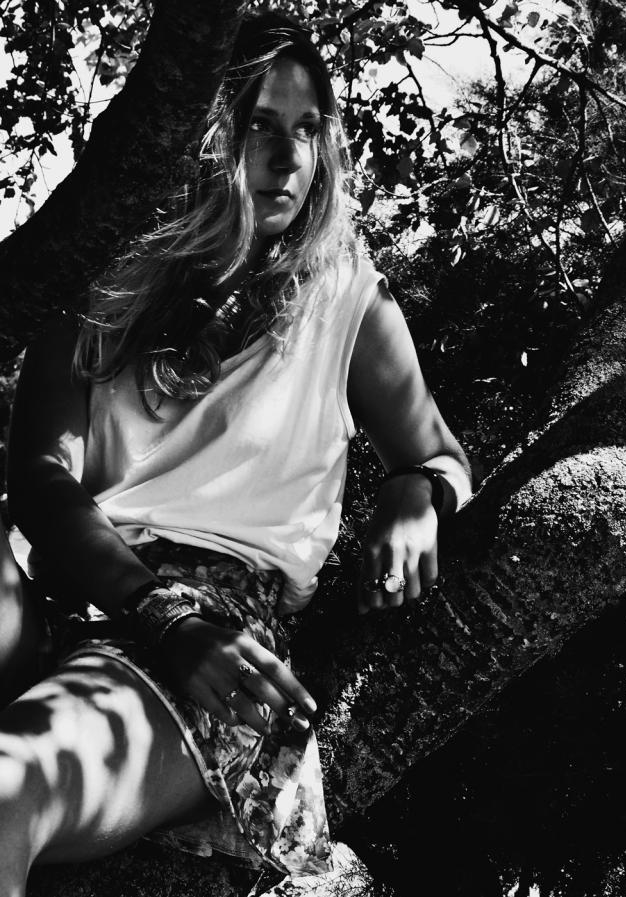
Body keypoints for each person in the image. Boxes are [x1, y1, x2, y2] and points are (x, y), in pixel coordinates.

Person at [0, 11, 472, 894]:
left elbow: (439, 454)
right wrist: (148, 605)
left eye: (307, 129)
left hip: (202, 629)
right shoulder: (104, 279)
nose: (289, 156)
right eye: (259, 124)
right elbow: (38, 479)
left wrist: (417, 492)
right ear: (204, 136)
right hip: (55, 580)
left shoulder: (345, 300)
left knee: (6, 788)